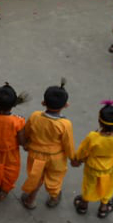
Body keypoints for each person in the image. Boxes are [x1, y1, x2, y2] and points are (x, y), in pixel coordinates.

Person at [20, 82, 75, 210]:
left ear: (43, 103)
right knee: (55, 178)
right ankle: (54, 197)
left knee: (36, 177)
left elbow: (26, 132)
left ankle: (30, 199)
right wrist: (73, 158)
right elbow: (68, 144)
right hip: (56, 158)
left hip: (35, 155)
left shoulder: (35, 116)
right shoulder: (65, 124)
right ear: (66, 105)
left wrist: (25, 144)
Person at [71, 102, 113, 218]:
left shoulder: (93, 137)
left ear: (99, 121)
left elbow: (83, 150)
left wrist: (78, 159)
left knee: (89, 185)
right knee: (109, 186)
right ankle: (103, 208)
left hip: (92, 167)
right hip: (111, 167)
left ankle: (83, 205)